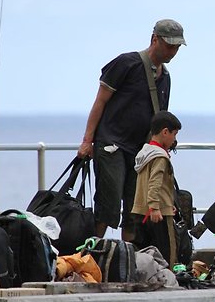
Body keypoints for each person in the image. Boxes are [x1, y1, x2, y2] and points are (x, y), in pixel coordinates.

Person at [77, 19, 186, 242]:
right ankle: (90, 255)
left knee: (135, 210)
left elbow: (158, 118)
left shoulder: (165, 78)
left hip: (140, 152)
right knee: (109, 204)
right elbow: (100, 101)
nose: (173, 51)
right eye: (169, 45)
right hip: (112, 145)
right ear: (155, 39)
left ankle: (130, 259)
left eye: (176, 47)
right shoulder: (126, 63)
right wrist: (88, 141)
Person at [130, 111, 182, 267]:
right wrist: (155, 207)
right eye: (174, 134)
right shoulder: (160, 156)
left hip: (140, 211)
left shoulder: (145, 152)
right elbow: (155, 183)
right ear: (165, 132)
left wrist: (167, 202)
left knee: (142, 252)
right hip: (157, 213)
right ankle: (168, 280)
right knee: (167, 253)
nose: (175, 139)